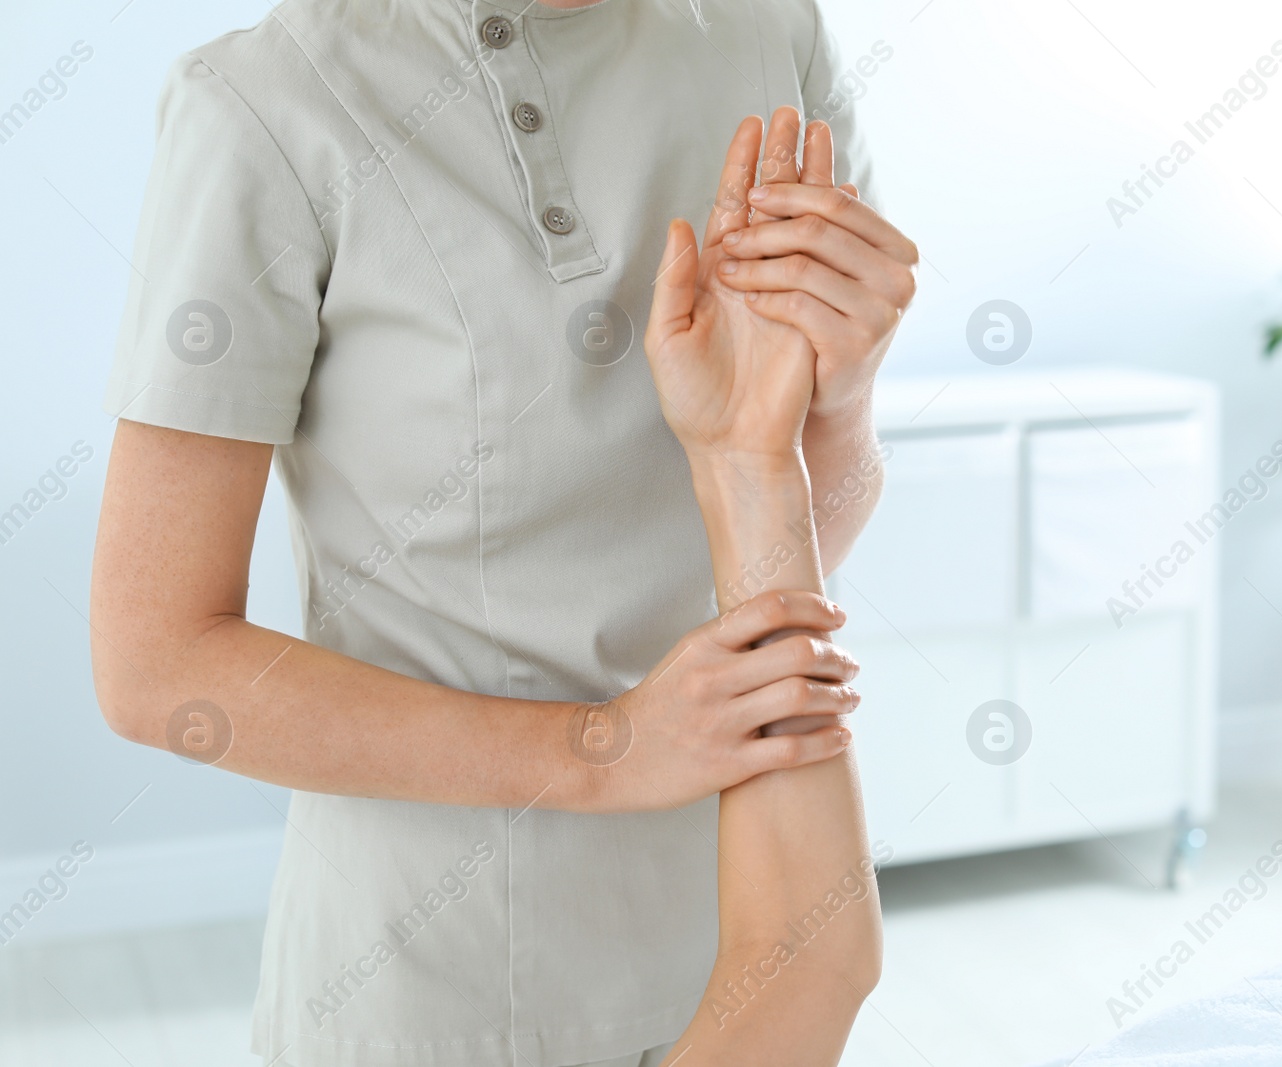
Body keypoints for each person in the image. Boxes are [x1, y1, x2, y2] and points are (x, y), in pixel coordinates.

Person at [89, 0, 916, 1064]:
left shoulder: (769, 35)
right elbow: (158, 665)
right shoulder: (264, 102)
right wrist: (598, 750)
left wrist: (841, 402)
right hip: (430, 972)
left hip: (744, 931)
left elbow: (799, 534)